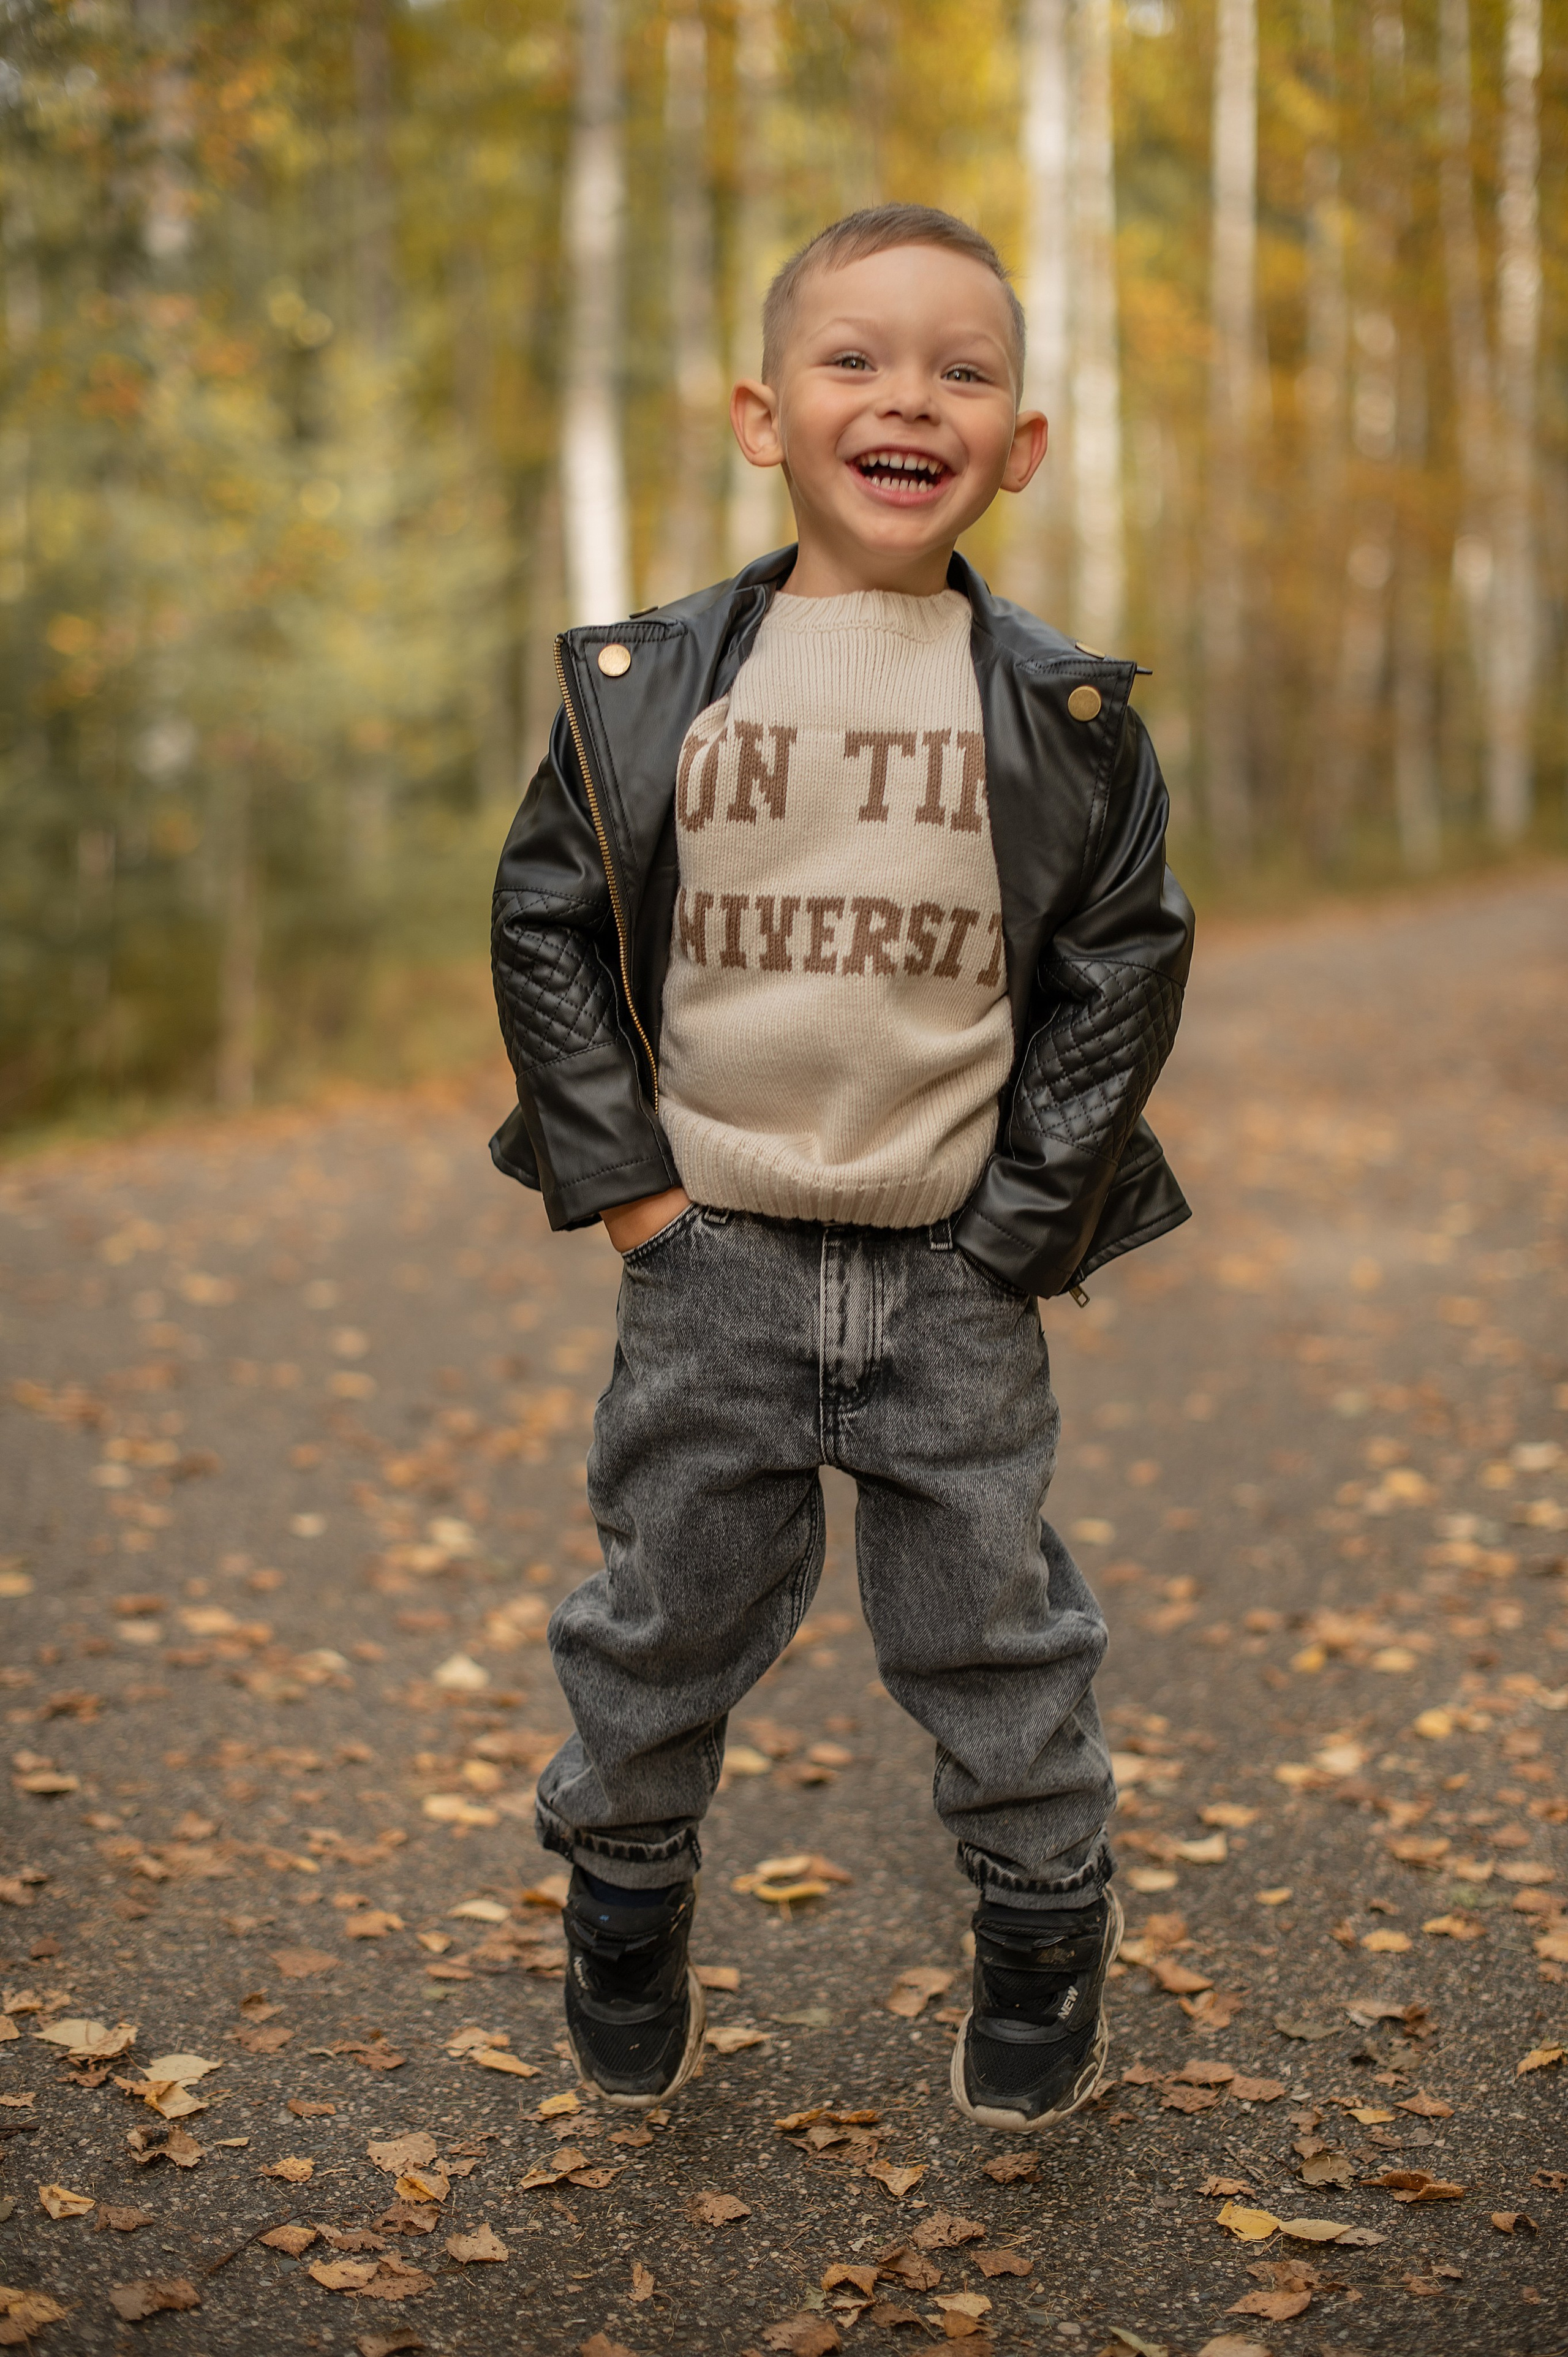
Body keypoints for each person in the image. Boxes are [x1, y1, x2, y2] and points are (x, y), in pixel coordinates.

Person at [489, 204, 1194, 2135]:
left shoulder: (1062, 717)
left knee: (992, 1623)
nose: (910, 397)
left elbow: (1126, 961)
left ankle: (1047, 1916)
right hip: (707, 1254)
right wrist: (634, 1188)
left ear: (1020, 444)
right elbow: (546, 923)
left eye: (964, 371)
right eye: (857, 361)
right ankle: (626, 1891)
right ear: (761, 416)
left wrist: (1028, 1224)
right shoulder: (654, 681)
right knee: (664, 1611)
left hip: (952, 1263)